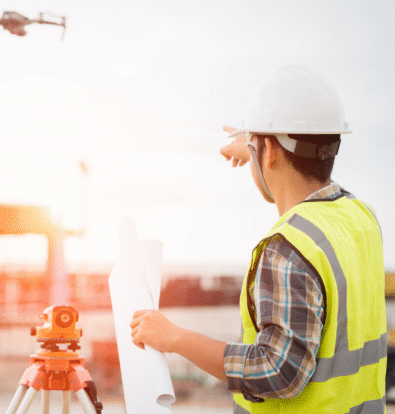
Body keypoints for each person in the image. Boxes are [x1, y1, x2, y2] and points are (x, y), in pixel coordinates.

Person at [129, 65, 386, 412]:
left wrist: (175, 337)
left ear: (271, 150)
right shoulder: (362, 218)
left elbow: (277, 372)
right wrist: (260, 150)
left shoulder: (286, 249)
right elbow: (307, 191)